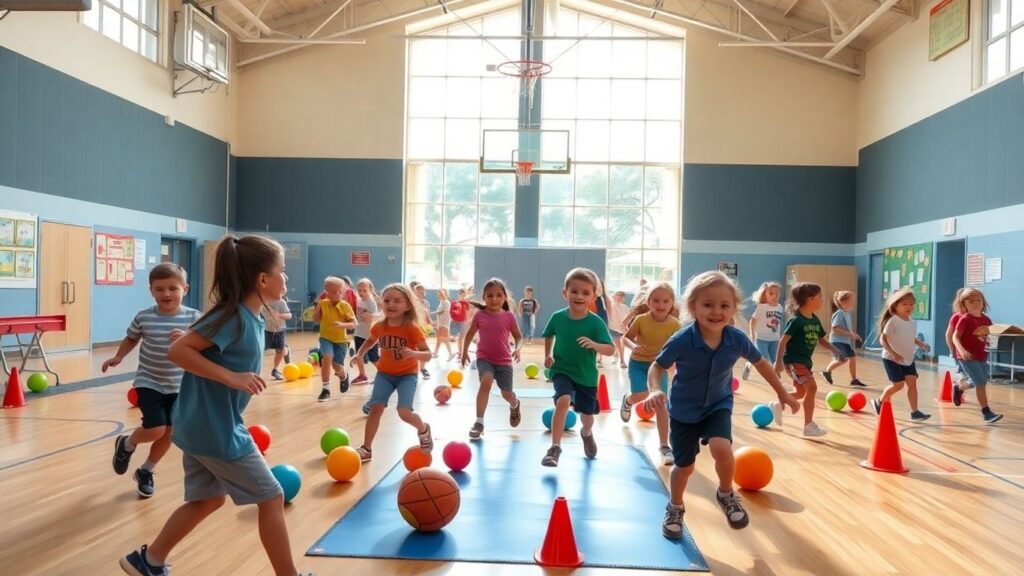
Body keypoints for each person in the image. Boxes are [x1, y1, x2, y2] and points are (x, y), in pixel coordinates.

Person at [119, 235, 312, 576]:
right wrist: (230, 377)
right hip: (215, 428)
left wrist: (194, 339)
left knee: (207, 500)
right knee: (271, 496)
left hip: (199, 425)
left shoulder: (246, 316)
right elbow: (178, 353)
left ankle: (148, 561)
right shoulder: (234, 315)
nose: (287, 279)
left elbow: (196, 342)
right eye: (283, 271)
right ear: (263, 279)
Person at [645, 271, 799, 538]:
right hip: (683, 411)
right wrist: (654, 390)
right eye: (708, 305)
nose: (717, 312)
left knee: (722, 448)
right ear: (692, 308)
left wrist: (782, 392)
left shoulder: (736, 339)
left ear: (733, 309)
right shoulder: (682, 339)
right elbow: (657, 367)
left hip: (718, 404)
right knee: (684, 467)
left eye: (724, 305)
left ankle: (726, 493)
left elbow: (761, 364)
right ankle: (676, 506)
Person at [105, 262, 201, 498]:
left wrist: (190, 338)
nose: (166, 294)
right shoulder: (144, 317)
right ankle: (127, 444)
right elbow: (131, 338)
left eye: (172, 288)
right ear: (151, 291)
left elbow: (204, 346)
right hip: (149, 381)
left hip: (180, 384)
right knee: (156, 428)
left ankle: (146, 470)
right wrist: (119, 356)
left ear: (185, 289)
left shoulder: (195, 318)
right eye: (159, 289)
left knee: (171, 432)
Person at [540, 268, 615, 467]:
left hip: (586, 376)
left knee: (587, 417)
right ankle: (554, 448)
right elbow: (548, 334)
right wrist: (547, 355)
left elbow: (610, 350)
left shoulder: (596, 323)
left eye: (585, 292)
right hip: (562, 369)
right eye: (574, 291)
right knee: (563, 401)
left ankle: (586, 433)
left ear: (593, 296)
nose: (579, 296)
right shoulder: (557, 317)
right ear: (565, 293)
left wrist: (595, 345)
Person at [351, 284, 434, 462]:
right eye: (387, 300)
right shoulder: (380, 326)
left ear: (408, 305)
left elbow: (428, 354)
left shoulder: (411, 328)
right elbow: (371, 340)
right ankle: (367, 449)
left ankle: (423, 429)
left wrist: (413, 354)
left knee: (404, 412)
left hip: (407, 375)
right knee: (376, 408)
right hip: (385, 375)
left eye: (397, 301)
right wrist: (359, 354)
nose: (391, 304)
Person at [618, 282, 682, 465]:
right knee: (642, 395)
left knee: (661, 403)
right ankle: (628, 400)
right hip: (638, 363)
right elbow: (626, 338)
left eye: (665, 301)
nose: (661, 305)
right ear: (648, 302)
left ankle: (664, 445)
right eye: (656, 301)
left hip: (659, 367)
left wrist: (675, 368)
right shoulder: (641, 320)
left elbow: (678, 348)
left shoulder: (675, 324)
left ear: (672, 303)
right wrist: (633, 345)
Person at [773, 282, 843, 437]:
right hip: (793, 361)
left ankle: (778, 404)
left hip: (805, 362)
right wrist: (778, 362)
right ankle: (808, 425)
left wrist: (835, 350)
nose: (822, 300)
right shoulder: (796, 320)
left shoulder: (814, 320)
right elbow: (783, 341)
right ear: (810, 299)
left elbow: (822, 340)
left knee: (800, 393)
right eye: (820, 297)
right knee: (812, 388)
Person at [462, 278, 523, 439]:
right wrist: (464, 352)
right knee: (486, 381)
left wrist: (518, 349)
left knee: (506, 394)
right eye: (489, 296)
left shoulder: (508, 316)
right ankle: (479, 422)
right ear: (484, 297)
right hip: (484, 358)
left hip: (504, 361)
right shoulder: (480, 315)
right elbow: (469, 334)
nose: (494, 299)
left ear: (504, 297)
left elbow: (518, 337)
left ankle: (514, 404)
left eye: (498, 295)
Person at [871, 288, 931, 421]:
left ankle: (915, 412)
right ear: (895, 306)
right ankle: (878, 401)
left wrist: (920, 343)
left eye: (911, 304)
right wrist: (892, 353)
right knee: (898, 385)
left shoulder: (912, 322)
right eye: (904, 304)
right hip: (891, 358)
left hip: (908, 359)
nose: (909, 307)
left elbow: (909, 337)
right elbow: (883, 339)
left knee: (912, 383)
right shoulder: (893, 320)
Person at [948, 288, 1003, 423]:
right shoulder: (965, 319)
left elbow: (986, 337)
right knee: (980, 382)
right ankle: (986, 412)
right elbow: (955, 337)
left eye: (978, 300)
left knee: (979, 381)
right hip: (967, 357)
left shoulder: (986, 319)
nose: (975, 303)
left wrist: (989, 346)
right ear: (963, 304)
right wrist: (961, 351)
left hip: (981, 356)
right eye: (971, 301)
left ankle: (958, 387)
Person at [314, 277, 356, 402]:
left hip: (341, 340)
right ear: (326, 292)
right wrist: (317, 306)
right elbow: (316, 319)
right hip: (325, 337)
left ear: (343, 292)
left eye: (339, 292)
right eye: (333, 292)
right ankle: (325, 389)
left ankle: (344, 376)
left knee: (337, 367)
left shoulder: (345, 306)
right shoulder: (323, 304)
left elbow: (354, 323)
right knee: (327, 357)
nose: (337, 294)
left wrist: (342, 325)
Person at [740, 281, 783, 381]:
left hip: (774, 340)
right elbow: (752, 321)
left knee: (775, 361)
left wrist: (779, 335)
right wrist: (752, 333)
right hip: (761, 339)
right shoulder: (761, 307)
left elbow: (777, 324)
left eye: (777, 294)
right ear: (765, 295)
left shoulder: (780, 307)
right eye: (771, 293)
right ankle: (748, 365)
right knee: (764, 359)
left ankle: (777, 380)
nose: (774, 296)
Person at [822, 290, 865, 387]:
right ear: (843, 302)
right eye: (851, 300)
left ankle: (854, 379)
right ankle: (827, 371)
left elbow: (844, 329)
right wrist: (850, 334)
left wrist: (853, 334)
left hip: (844, 341)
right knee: (843, 359)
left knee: (851, 358)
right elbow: (835, 328)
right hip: (838, 341)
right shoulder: (840, 313)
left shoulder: (846, 313)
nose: (853, 302)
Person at [350, 278, 380, 385]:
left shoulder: (371, 302)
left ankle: (383, 374)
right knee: (359, 355)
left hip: (370, 335)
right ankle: (362, 375)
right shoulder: (358, 299)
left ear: (370, 290)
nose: (361, 292)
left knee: (374, 357)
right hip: (359, 332)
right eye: (360, 290)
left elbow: (378, 315)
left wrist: (372, 316)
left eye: (364, 290)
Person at [264, 294, 292, 380]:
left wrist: (280, 315)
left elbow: (289, 315)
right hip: (266, 330)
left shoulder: (281, 302)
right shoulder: (262, 300)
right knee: (260, 349)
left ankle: (275, 370)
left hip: (279, 330)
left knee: (280, 350)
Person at [409, 281, 433, 380]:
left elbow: (428, 316)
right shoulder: (411, 303)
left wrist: (431, 323)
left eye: (423, 292)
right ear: (414, 293)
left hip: (423, 330)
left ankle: (422, 369)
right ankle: (412, 370)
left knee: (423, 350)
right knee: (413, 350)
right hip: (413, 329)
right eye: (419, 292)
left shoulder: (426, 303)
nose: (422, 294)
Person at [608, 290, 630, 368]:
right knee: (618, 344)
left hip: (623, 328)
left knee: (622, 344)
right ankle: (622, 360)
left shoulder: (625, 307)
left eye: (622, 297)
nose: (620, 298)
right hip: (613, 327)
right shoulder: (611, 305)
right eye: (618, 296)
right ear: (615, 297)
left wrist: (626, 327)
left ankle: (617, 356)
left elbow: (628, 318)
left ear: (624, 298)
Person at [433, 288, 453, 359]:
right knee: (439, 339)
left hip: (444, 324)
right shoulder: (441, 302)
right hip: (441, 324)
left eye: (441, 294)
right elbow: (440, 312)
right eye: (439, 294)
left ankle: (450, 354)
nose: (439, 295)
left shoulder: (446, 302)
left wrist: (433, 313)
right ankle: (436, 353)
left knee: (445, 340)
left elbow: (443, 311)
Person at [450, 288, 470, 360]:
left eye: (464, 295)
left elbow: (467, 313)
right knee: (457, 337)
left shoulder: (466, 303)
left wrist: (467, 322)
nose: (463, 297)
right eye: (462, 295)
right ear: (459, 294)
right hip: (455, 322)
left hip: (463, 322)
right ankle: (459, 352)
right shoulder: (454, 303)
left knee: (461, 338)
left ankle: (461, 353)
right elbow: (451, 312)